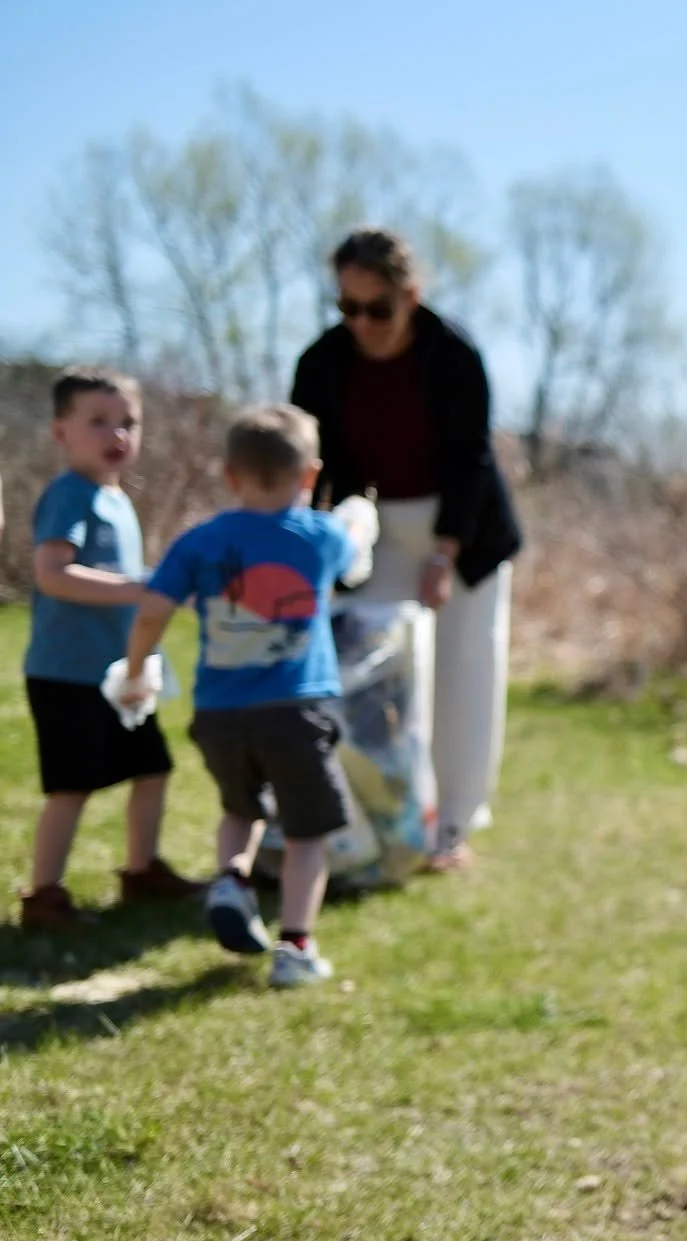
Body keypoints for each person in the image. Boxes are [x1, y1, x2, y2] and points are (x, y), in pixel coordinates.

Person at [289, 227, 522, 871]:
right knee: (379, 680)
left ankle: (451, 824)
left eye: (378, 309)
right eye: (347, 308)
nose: (363, 323)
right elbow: (310, 466)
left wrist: (445, 556)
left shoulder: (453, 355)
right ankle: (387, 818)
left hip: (464, 530)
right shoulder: (323, 362)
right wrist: (308, 545)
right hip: (371, 533)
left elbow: (472, 458)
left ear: (411, 296)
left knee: (462, 675)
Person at [120, 404, 360, 987]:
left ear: (230, 475)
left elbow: (153, 610)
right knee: (306, 834)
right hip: (296, 711)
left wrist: (133, 671)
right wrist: (359, 518)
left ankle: (231, 877)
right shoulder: (321, 536)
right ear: (310, 475)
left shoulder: (201, 541)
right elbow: (355, 563)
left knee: (240, 807)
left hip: (220, 713)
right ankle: (296, 947)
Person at [17, 368, 205, 932]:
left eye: (128, 422)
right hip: (67, 673)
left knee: (153, 769)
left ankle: (141, 872)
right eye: (98, 421)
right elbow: (53, 575)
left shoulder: (117, 498)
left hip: (119, 674)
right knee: (71, 786)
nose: (116, 434)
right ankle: (44, 895)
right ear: (60, 433)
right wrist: (140, 587)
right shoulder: (70, 494)